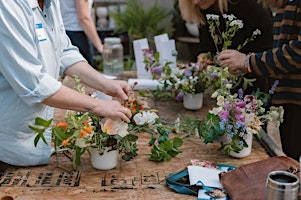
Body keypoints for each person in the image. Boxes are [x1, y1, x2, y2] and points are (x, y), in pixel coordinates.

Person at [0, 0, 131, 167]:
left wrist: (106, 84)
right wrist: (97, 105)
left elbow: (64, 53)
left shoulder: (50, 3)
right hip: (7, 144)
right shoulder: (7, 6)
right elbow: (34, 83)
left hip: (33, 135)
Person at [218, 0, 301, 160]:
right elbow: (282, 54)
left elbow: (297, 51)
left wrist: (248, 61)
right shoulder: (285, 5)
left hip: (297, 101)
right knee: (290, 163)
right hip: (290, 100)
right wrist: (246, 65)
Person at [178, 0, 274, 93]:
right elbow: (207, 47)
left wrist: (246, 62)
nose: (195, 2)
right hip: (225, 87)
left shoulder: (251, 5)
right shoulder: (204, 9)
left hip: (259, 87)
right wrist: (204, 57)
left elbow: (271, 52)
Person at [60, 0, 103, 66]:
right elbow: (84, 18)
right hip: (78, 34)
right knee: (85, 73)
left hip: (63, 31)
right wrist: (100, 47)